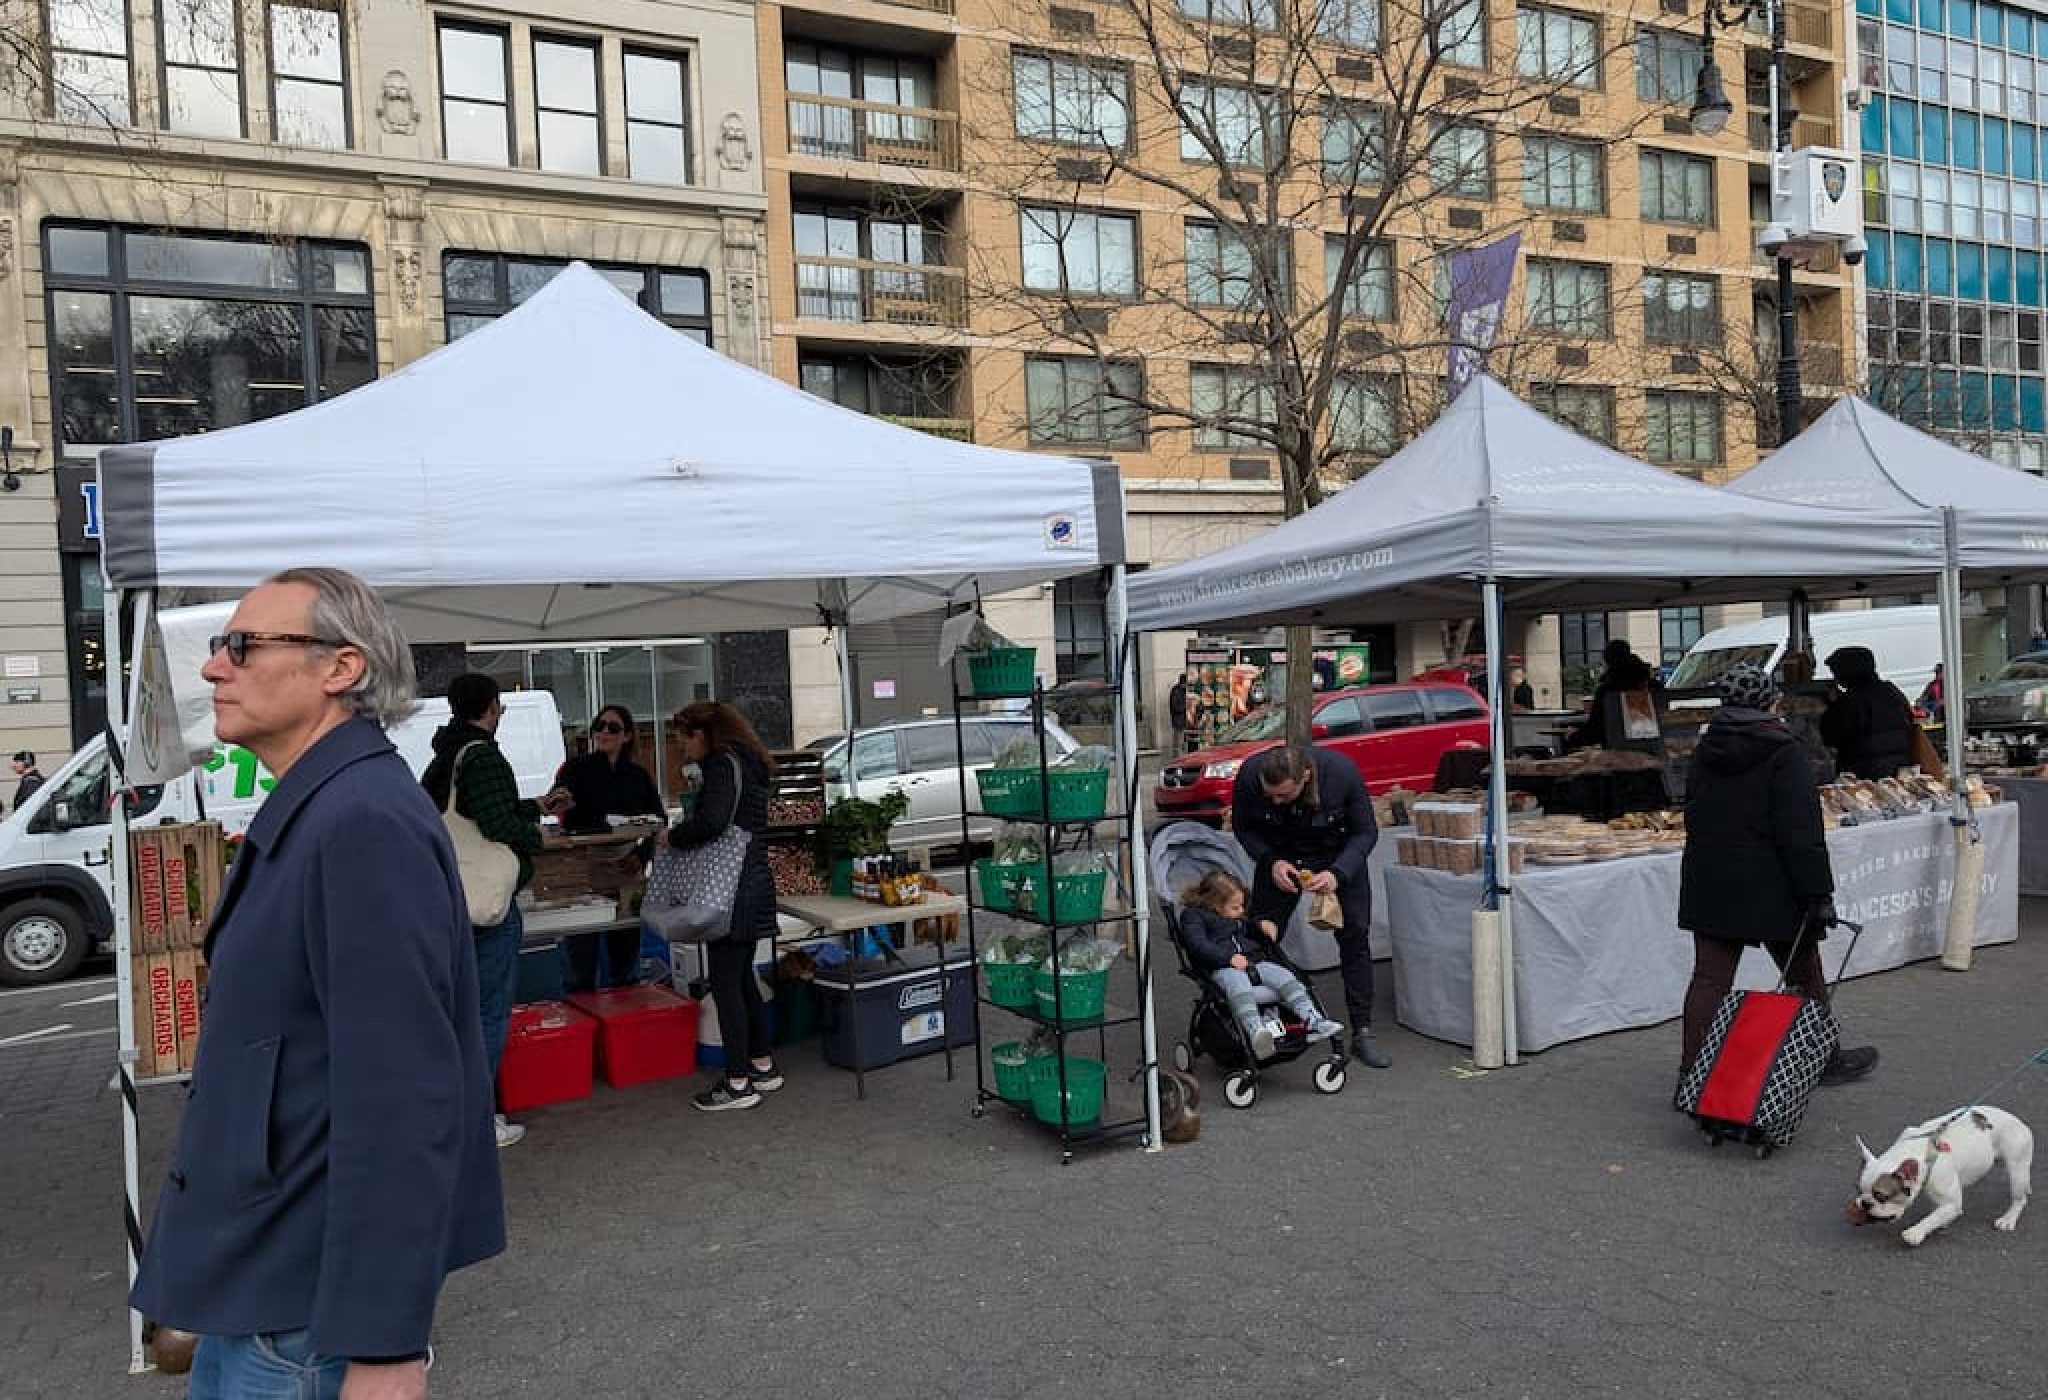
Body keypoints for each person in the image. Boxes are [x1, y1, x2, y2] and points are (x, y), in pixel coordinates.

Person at [131, 567, 504, 1399]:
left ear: (341, 668)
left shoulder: (360, 818)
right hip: (268, 1284)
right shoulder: (325, 803)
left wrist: (384, 1345)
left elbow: (407, 1094)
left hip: (307, 1322)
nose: (213, 668)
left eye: (242, 645)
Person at [1676, 662, 1877, 1091]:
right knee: (1803, 973)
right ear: (1771, 701)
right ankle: (1824, 1057)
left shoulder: (1705, 749)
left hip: (1712, 876)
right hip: (1774, 880)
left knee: (1709, 978)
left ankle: (1693, 1073)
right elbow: (1800, 832)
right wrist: (1818, 892)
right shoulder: (1785, 749)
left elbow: (1693, 812)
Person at [420, 672, 546, 1150]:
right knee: (490, 1012)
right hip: (486, 905)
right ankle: (478, 1118)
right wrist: (536, 835)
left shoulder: (443, 757)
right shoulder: (483, 756)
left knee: (459, 1010)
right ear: (492, 707)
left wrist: (530, 807)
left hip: (451, 897)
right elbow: (495, 822)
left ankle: (455, 1110)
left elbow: (471, 814)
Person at [1229, 744, 1387, 1068]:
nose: (1275, 802)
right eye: (1269, 795)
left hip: (1336, 855)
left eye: (1283, 796)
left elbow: (1366, 832)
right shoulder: (1249, 776)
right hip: (1281, 855)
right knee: (1259, 937)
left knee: (1355, 936)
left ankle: (1362, 1030)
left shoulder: (1342, 772)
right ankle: (1256, 1024)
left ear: (1306, 776)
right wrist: (1270, 861)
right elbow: (1244, 828)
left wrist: (1338, 873)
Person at [668, 700, 781, 1111]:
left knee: (726, 982)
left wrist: (674, 837)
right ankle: (762, 1064)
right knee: (742, 976)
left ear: (702, 734)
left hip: (729, 889)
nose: (683, 749)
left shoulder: (721, 763)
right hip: (752, 881)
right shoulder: (749, 761)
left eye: (684, 739)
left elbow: (713, 821)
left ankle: (736, 1084)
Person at [546, 704, 666, 990]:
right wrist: (558, 799)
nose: (604, 732)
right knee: (580, 957)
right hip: (583, 868)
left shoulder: (638, 775)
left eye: (613, 727)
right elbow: (557, 802)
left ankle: (625, 1019)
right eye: (600, 726)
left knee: (626, 957)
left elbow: (658, 820)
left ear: (626, 736)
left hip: (626, 866)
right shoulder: (577, 768)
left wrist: (641, 856)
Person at [1177, 869, 1343, 1058]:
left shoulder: (1235, 917)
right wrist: (1227, 958)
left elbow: (1246, 925)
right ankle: (1256, 1030)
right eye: (1236, 907)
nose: (1241, 911)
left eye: (1242, 906)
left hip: (1253, 961)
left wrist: (1260, 925)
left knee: (1284, 975)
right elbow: (1198, 944)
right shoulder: (1194, 917)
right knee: (1237, 982)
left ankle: (1313, 1019)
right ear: (1215, 905)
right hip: (1223, 967)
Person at [1820, 645, 1918, 779]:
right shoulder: (1891, 691)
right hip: (1898, 769)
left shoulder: (1851, 701)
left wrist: (1832, 705)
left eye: (1836, 672)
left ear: (1848, 672)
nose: (1835, 678)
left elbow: (1831, 736)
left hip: (1865, 773)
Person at [1566, 639, 1665, 750]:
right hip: (1655, 751)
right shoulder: (1653, 686)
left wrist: (1572, 738)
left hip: (1619, 754)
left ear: (1608, 661)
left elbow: (1596, 730)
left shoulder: (1608, 690)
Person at [1167, 675, 1190, 752]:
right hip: (1179, 722)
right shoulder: (1176, 691)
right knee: (1178, 746)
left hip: (1184, 722)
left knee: (1184, 745)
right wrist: (1186, 706)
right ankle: (1177, 762)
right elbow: (1175, 707)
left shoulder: (1183, 691)